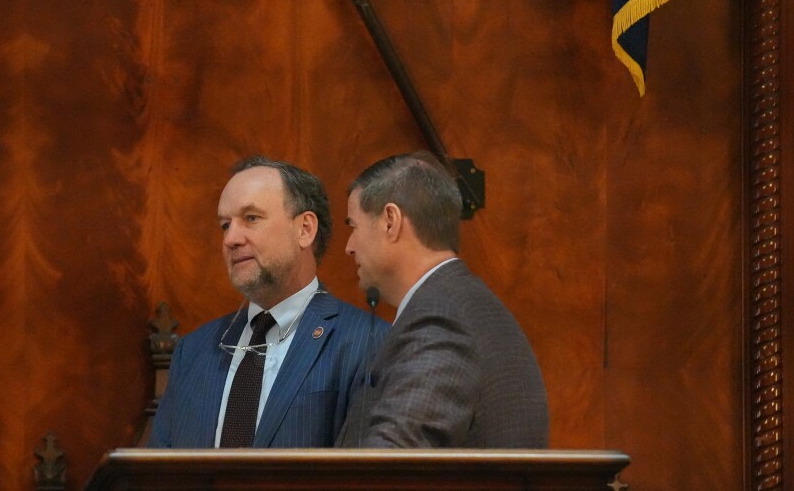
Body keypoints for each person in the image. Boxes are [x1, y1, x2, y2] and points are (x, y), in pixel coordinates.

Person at [149, 156, 388, 448]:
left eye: (251, 218)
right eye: (225, 225)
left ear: (305, 229)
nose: (231, 239)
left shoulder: (368, 342)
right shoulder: (193, 352)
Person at [337, 152, 549, 448]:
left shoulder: (440, 320)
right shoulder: (463, 304)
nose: (349, 247)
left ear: (390, 221)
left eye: (353, 226)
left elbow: (389, 466)